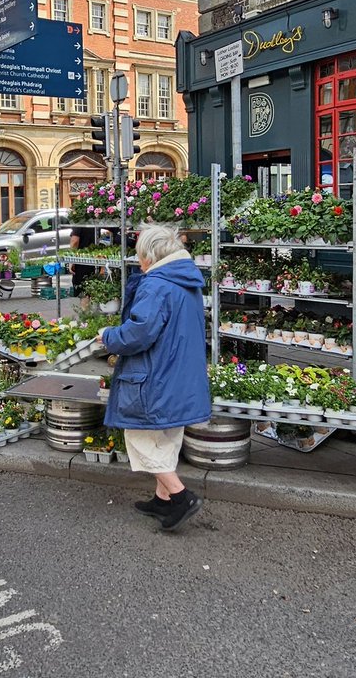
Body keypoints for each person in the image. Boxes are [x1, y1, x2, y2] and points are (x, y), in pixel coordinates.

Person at [96, 224, 211, 532]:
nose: (138, 260)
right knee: (168, 434)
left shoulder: (156, 284)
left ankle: (179, 496)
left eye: (138, 254)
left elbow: (139, 333)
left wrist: (108, 336)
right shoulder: (186, 280)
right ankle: (162, 499)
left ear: (149, 254)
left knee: (140, 436)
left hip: (155, 374)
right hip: (182, 373)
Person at [69, 224, 98, 295]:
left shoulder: (79, 222)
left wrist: (71, 261)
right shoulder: (94, 219)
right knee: (94, 289)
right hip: (95, 258)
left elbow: (74, 241)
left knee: (83, 292)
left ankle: (84, 306)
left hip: (81, 261)